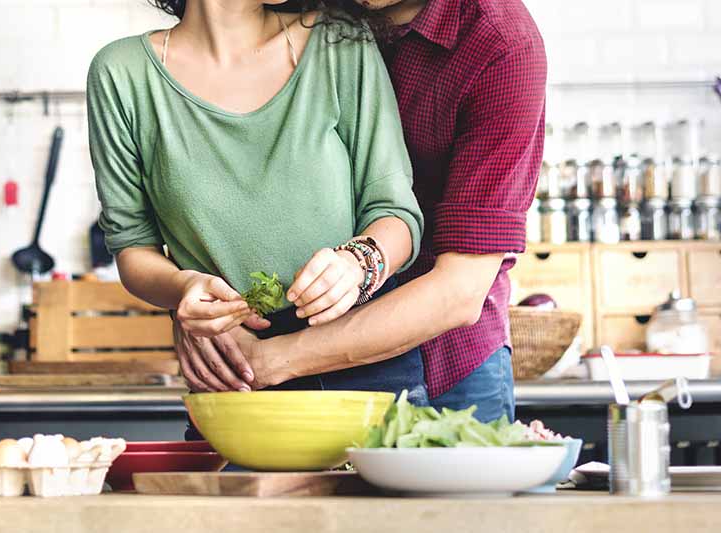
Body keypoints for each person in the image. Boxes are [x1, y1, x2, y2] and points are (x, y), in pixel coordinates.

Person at [178, 0, 547, 423]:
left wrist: (263, 361)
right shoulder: (297, 7)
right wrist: (194, 306)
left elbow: (459, 292)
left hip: (443, 361)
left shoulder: (501, 43)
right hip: (268, 344)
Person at [87, 0, 429, 406]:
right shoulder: (121, 73)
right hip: (233, 371)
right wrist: (184, 289)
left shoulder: (339, 39)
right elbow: (133, 250)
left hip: (365, 365)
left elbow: (396, 213)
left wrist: (358, 263)